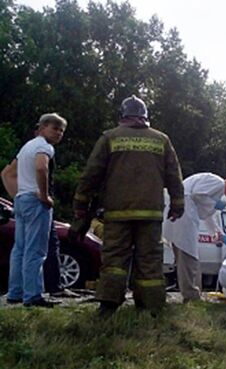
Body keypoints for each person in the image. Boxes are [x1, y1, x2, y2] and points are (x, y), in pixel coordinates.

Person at [73, 95, 185, 316]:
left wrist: (81, 204)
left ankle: (108, 305)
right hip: (151, 213)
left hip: (117, 212)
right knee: (150, 259)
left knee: (114, 259)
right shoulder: (161, 139)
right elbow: (174, 175)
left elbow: (91, 174)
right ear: (145, 116)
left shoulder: (110, 137)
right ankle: (151, 307)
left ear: (122, 116)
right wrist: (177, 204)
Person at [1, 113, 67, 307]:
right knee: (36, 250)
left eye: (61, 130)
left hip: (22, 199)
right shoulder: (44, 147)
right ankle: (33, 296)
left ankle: (15, 292)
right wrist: (44, 195)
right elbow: (41, 168)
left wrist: (18, 195)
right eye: (55, 128)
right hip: (35, 200)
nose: (59, 133)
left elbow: (6, 173)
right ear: (42, 127)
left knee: (19, 248)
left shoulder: (26, 147)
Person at [163, 173, 226, 302]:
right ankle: (191, 296)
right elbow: (198, 194)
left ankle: (192, 293)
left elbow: (207, 215)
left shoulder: (214, 187)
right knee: (189, 257)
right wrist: (214, 204)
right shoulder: (218, 183)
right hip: (185, 215)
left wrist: (218, 233)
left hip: (182, 214)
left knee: (185, 257)